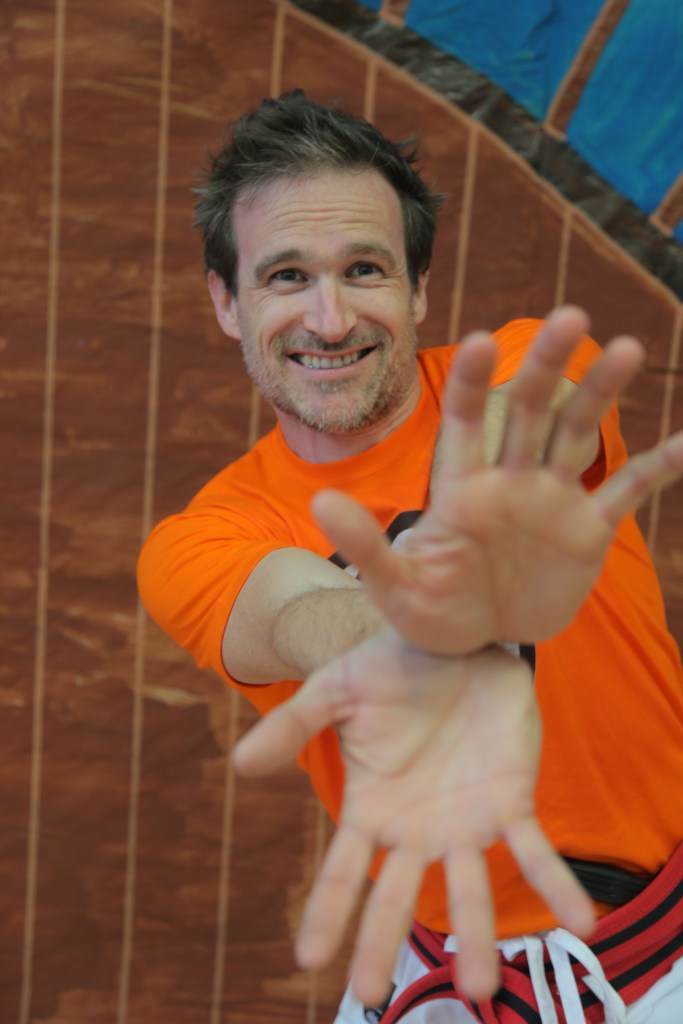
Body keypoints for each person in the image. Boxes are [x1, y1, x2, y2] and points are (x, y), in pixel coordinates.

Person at [137, 91, 683, 1023]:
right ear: (228, 302)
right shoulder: (198, 542)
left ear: (417, 288)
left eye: (363, 269)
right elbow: (292, 611)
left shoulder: (523, 360)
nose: (329, 319)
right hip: (446, 978)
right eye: (285, 277)